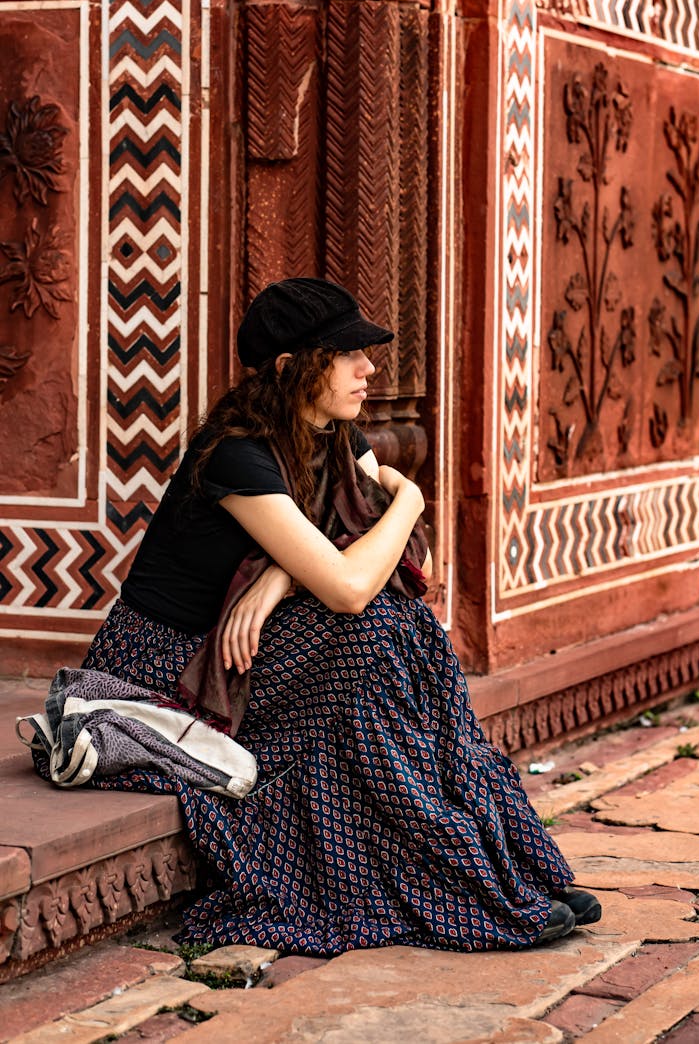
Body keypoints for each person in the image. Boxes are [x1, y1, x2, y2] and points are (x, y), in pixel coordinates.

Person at [67, 278, 602, 954]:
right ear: (291, 368)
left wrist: (283, 577)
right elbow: (352, 582)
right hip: (169, 662)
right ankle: (460, 879)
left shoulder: (334, 436)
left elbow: (398, 555)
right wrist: (409, 498)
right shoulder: (237, 453)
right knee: (369, 631)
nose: (367, 368)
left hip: (245, 644)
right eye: (346, 355)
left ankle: (501, 866)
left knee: (400, 624)